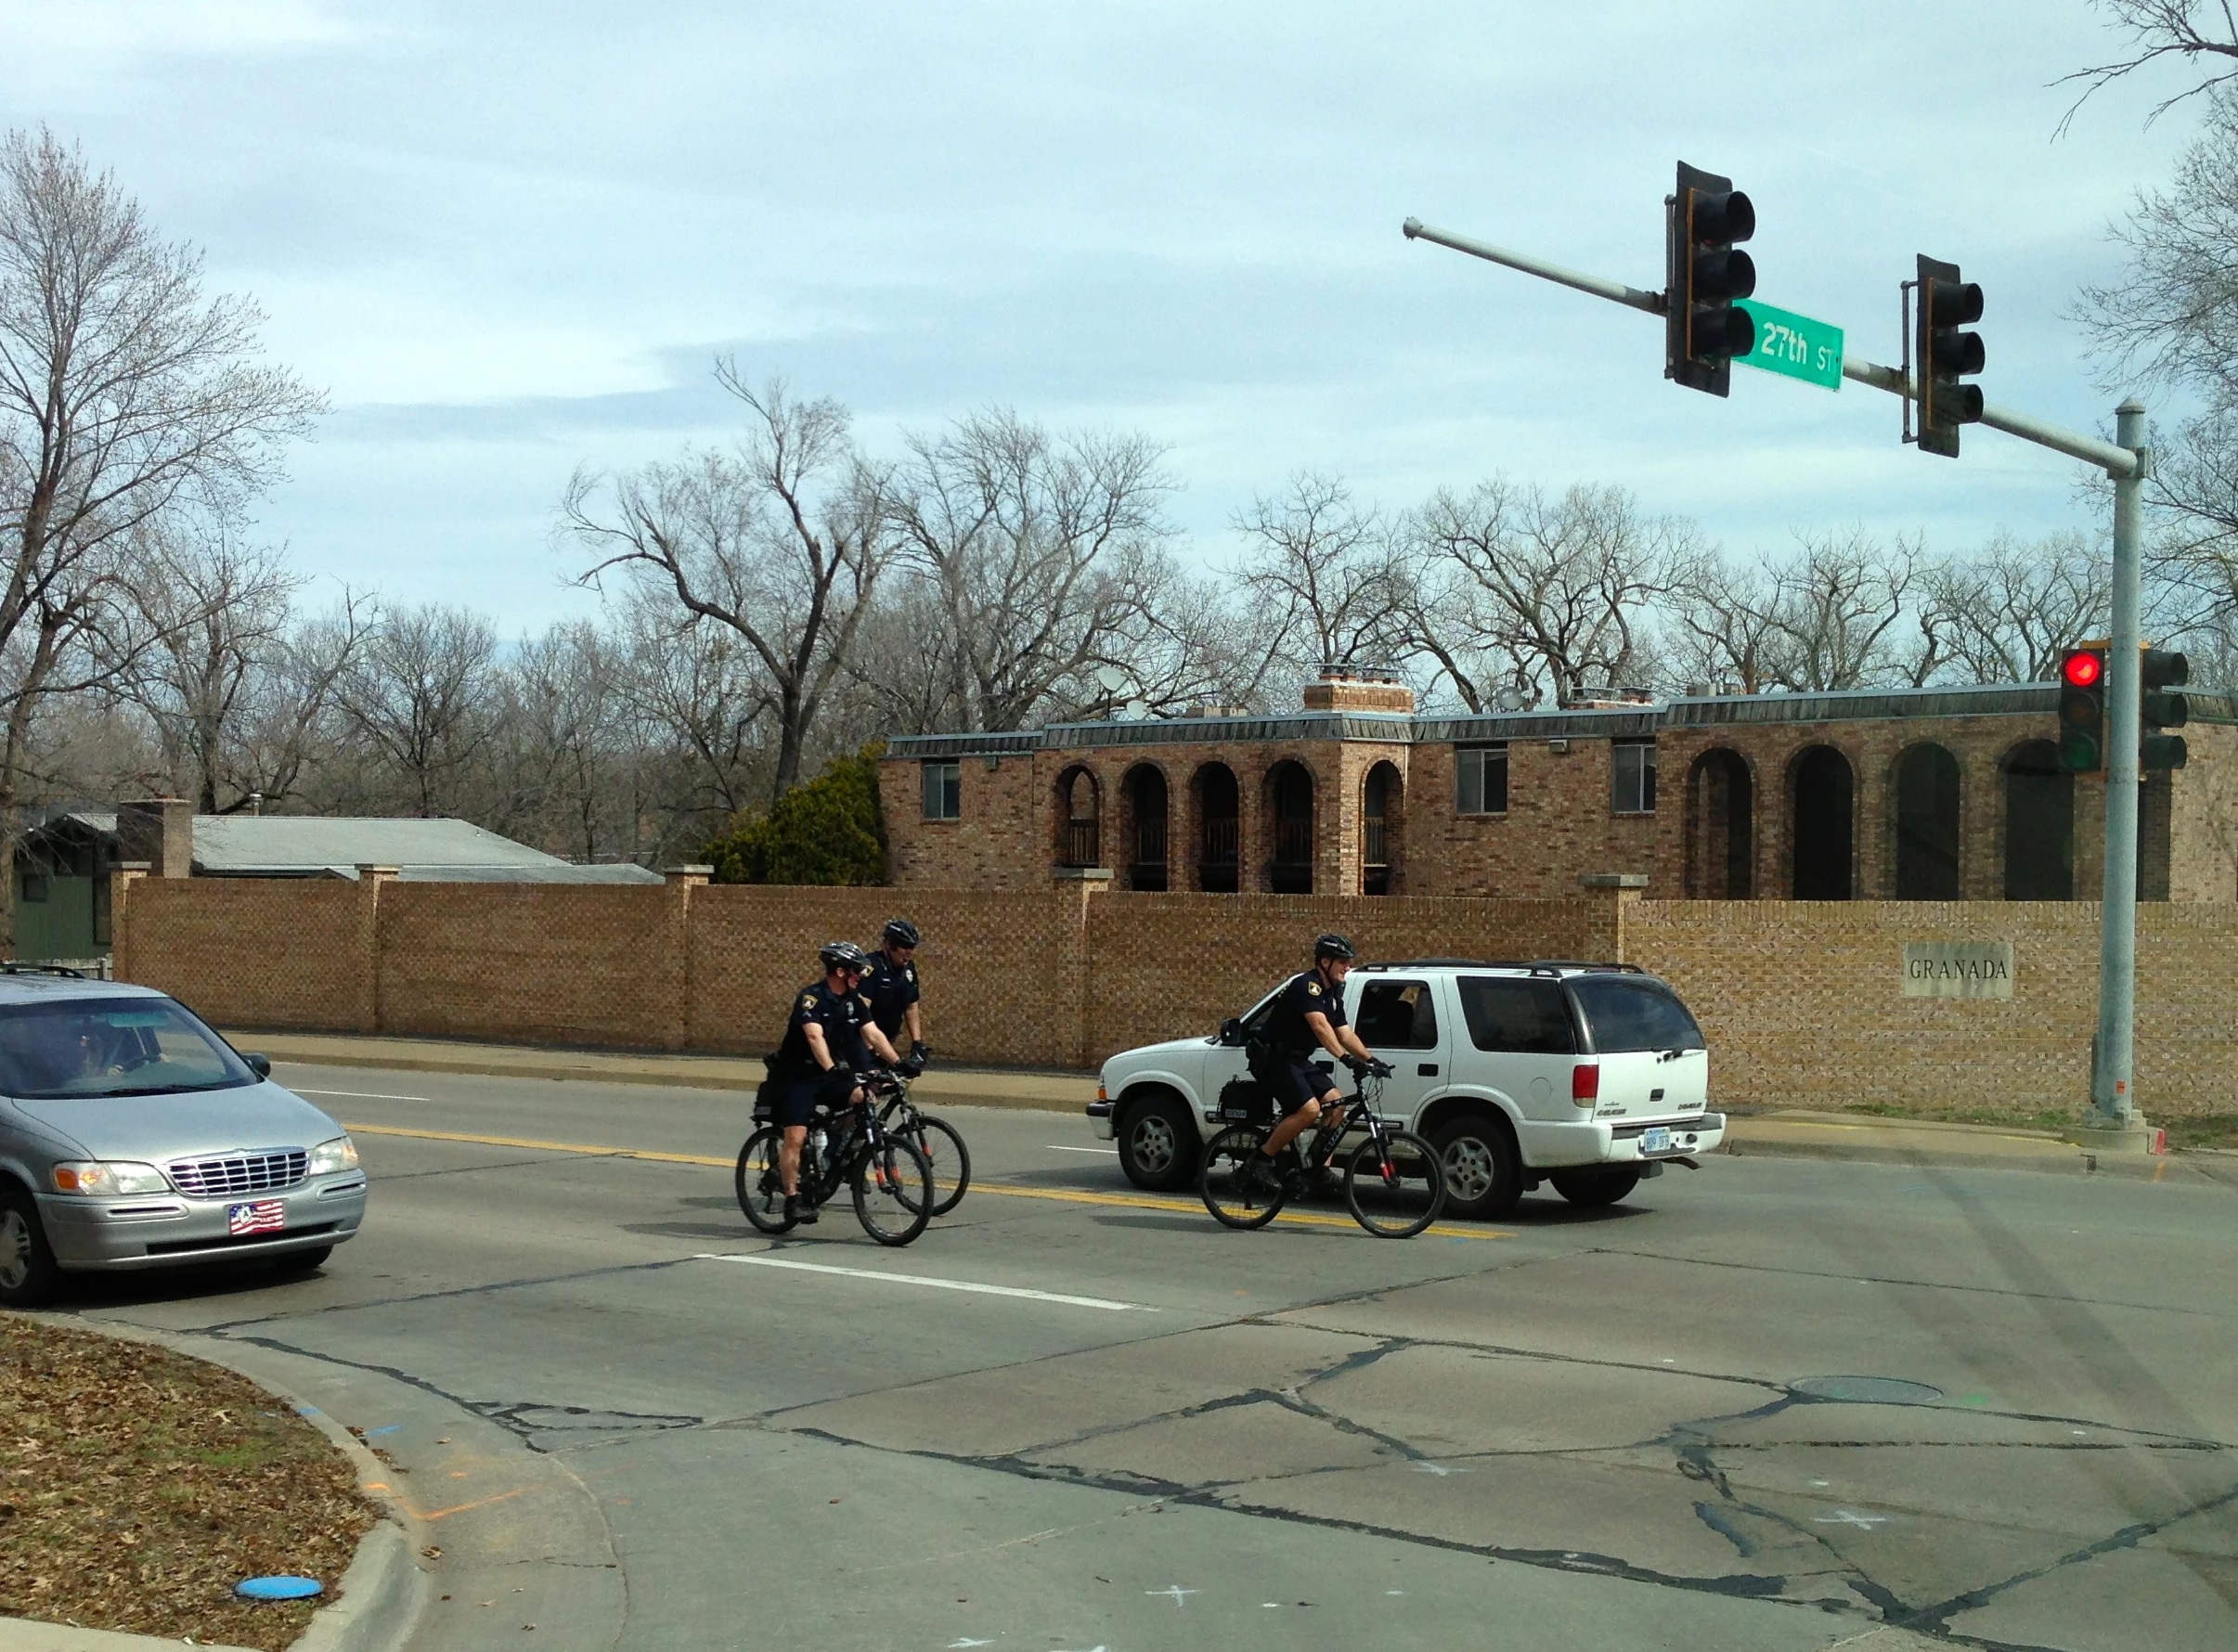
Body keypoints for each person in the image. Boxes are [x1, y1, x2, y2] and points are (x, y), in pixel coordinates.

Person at [765, 940, 909, 1224]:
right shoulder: (812, 998)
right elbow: (814, 1037)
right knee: (796, 1136)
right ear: (841, 972)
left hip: (829, 1075)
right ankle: (793, 1198)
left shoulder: (853, 1001)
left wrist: (898, 1064)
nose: (861, 976)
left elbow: (874, 1035)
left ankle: (833, 1154)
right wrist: (832, 1068)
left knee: (864, 1098)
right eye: (856, 971)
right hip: (799, 1076)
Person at [1246, 934, 1391, 1187]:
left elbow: (1343, 1031)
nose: (1348, 967)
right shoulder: (1307, 986)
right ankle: (1260, 1160)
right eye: (1343, 961)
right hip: (1275, 1060)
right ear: (1325, 962)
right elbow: (1320, 1026)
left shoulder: (1332, 994)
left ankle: (1317, 1167)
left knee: (1337, 1104)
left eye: (1349, 962)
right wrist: (1345, 1059)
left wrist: (1371, 1059)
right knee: (1310, 1110)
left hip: (1299, 1061)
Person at [861, 918, 928, 1064]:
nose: (909, 952)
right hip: (863, 1039)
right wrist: (871, 1050)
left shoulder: (908, 969)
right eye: (904, 946)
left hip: (886, 1037)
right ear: (888, 945)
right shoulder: (871, 967)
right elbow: (861, 1014)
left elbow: (911, 1006)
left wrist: (917, 1043)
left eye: (911, 947)